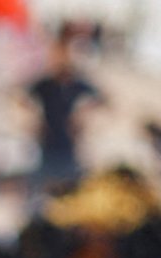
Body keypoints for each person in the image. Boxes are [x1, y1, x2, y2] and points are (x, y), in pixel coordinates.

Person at [25, 35, 102, 192]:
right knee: (43, 191)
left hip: (70, 147)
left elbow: (104, 103)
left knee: (70, 190)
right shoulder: (46, 84)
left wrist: (84, 117)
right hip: (47, 145)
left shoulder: (78, 84)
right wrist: (32, 120)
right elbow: (17, 97)